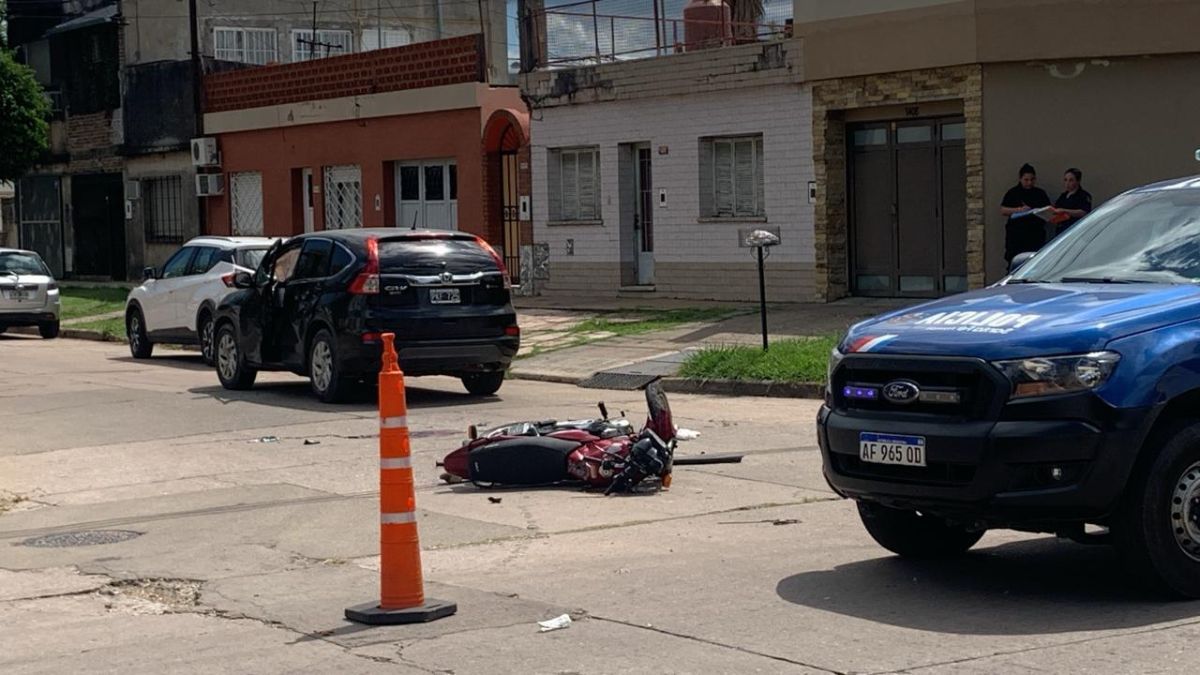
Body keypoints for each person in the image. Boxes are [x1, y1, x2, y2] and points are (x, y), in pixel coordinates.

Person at [1000, 163, 1053, 263]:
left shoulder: (1040, 193)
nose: (1029, 183)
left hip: (1035, 235)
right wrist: (1019, 210)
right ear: (1020, 179)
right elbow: (1003, 210)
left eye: (1032, 180)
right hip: (1017, 236)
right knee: (1015, 263)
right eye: (1026, 180)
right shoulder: (1013, 192)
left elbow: (1049, 210)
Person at [1053, 167, 1093, 236]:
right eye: (1065, 180)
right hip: (1061, 230)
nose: (1067, 183)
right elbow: (1056, 208)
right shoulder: (1063, 196)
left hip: (1075, 231)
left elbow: (1084, 212)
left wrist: (1065, 211)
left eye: (1071, 180)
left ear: (1078, 181)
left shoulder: (1084, 195)